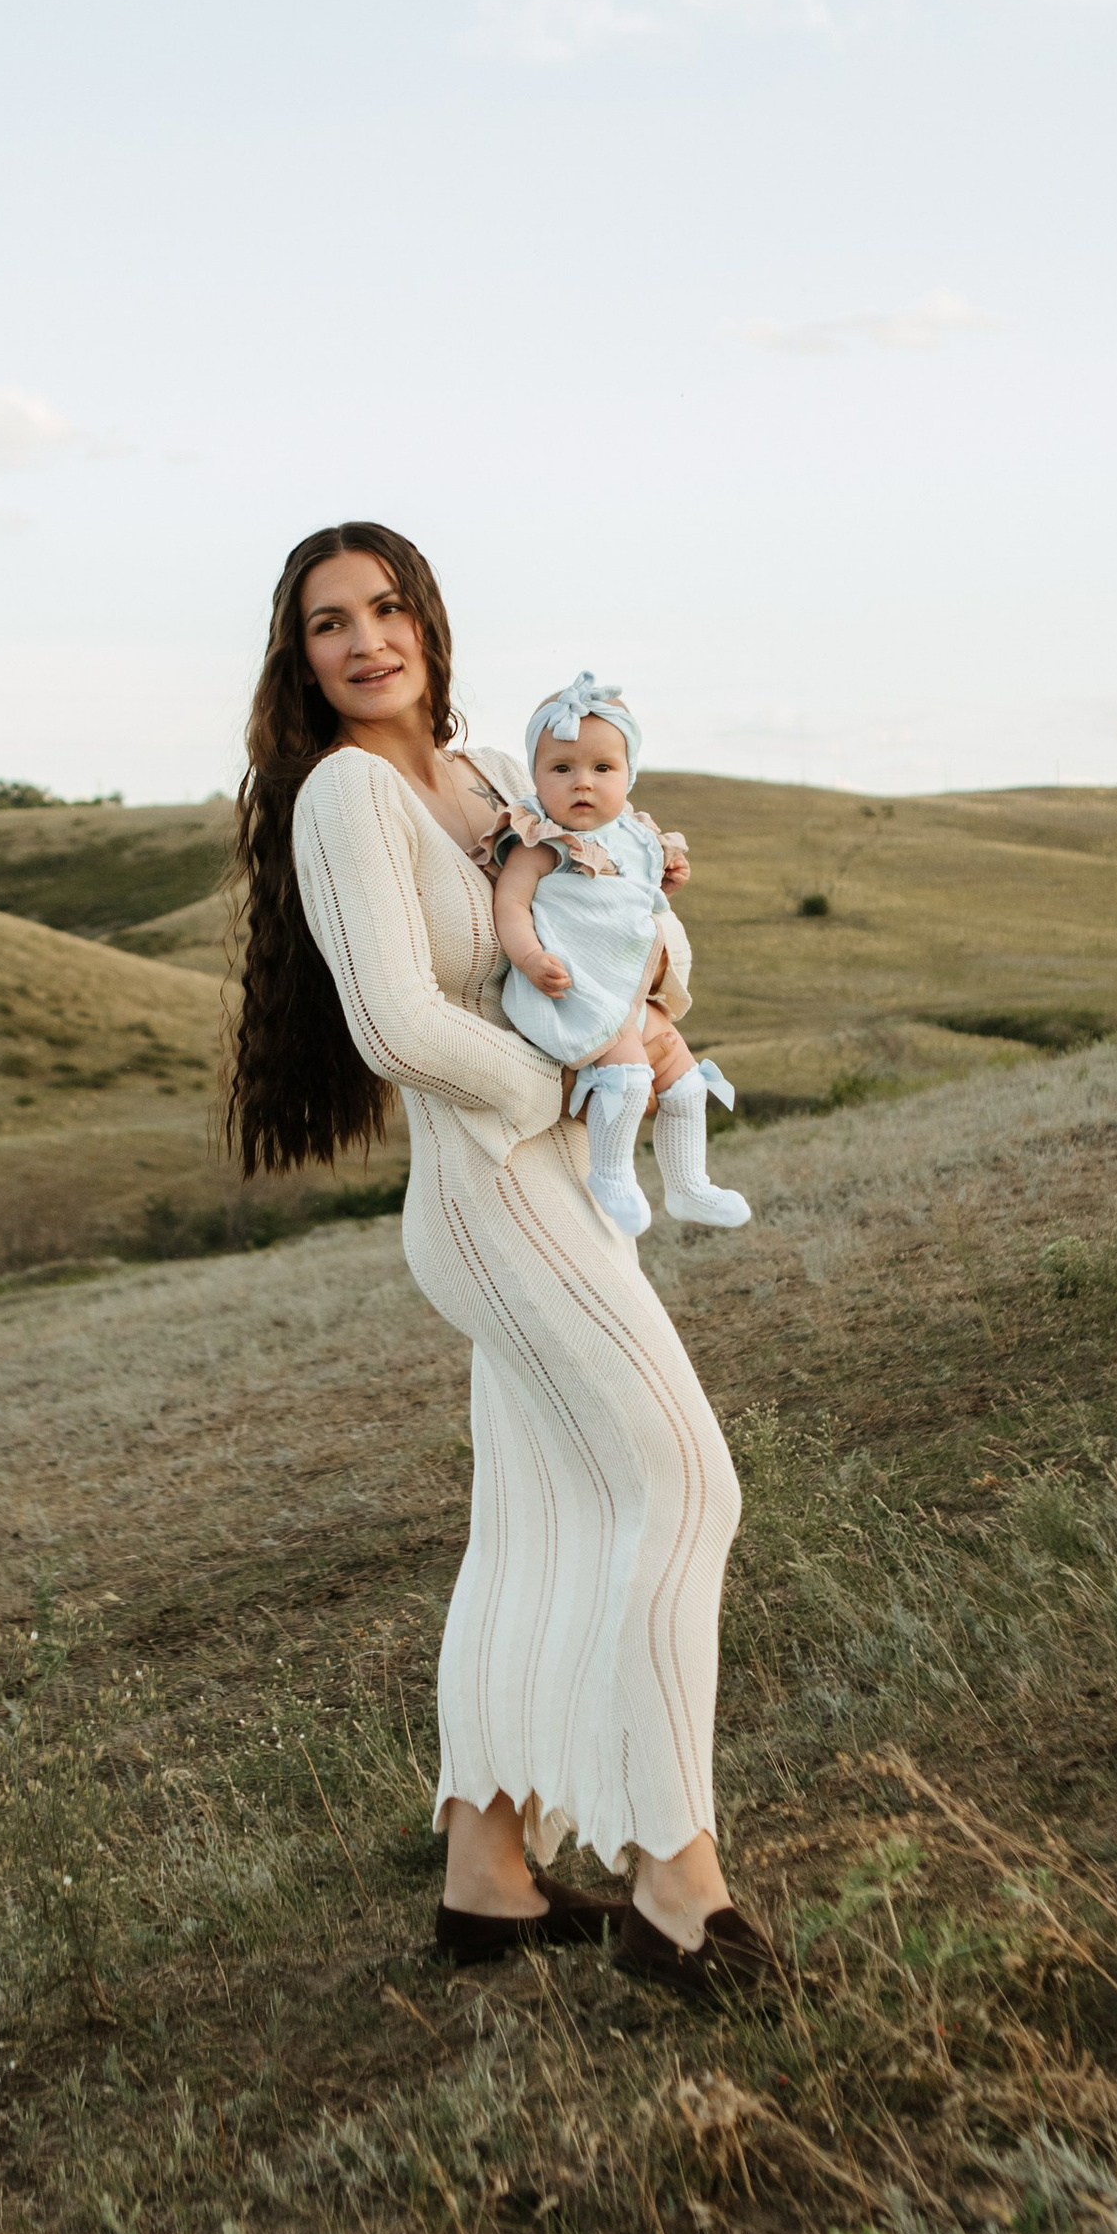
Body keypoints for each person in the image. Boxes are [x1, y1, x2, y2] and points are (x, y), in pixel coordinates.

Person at [227, 521, 775, 2003]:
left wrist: (655, 1003)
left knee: (535, 1525)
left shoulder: (477, 775)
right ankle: (677, 1878)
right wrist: (553, 1090)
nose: (365, 639)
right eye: (329, 621)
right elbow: (399, 1026)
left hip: (557, 1186)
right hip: (493, 1190)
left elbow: (609, 935)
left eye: (388, 605)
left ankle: (487, 1876)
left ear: (428, 618)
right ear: (301, 656)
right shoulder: (346, 795)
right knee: (682, 1484)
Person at [488, 670, 752, 1240]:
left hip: (632, 984)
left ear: (629, 774)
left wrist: (669, 878)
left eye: (602, 768)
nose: (583, 783)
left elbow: (636, 898)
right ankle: (611, 1174)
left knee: (683, 1082)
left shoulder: (633, 834)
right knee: (628, 1078)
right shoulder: (540, 841)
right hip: (580, 986)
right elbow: (510, 906)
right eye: (562, 768)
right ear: (535, 776)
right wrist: (532, 958)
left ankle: (688, 1184)